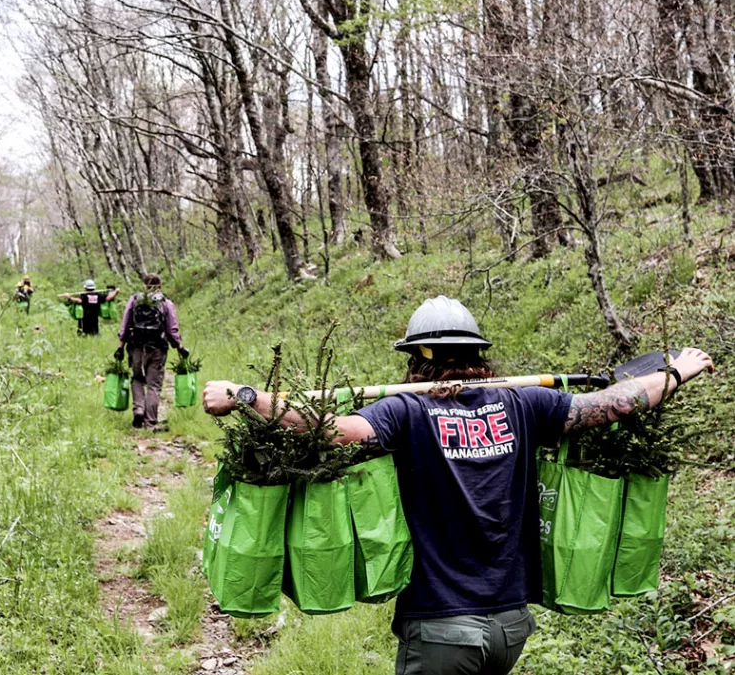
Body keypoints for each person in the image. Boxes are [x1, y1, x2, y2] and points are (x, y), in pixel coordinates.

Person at [202, 295, 715, 675]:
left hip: (442, 630)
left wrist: (247, 395)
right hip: (510, 626)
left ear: (418, 358)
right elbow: (613, 403)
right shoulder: (524, 405)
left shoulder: (406, 411)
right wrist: (675, 373)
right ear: (479, 354)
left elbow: (334, 431)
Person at [114, 273, 188, 431]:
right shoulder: (166, 303)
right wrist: (180, 347)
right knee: (154, 385)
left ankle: (138, 410)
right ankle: (150, 422)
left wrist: (120, 347)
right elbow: (172, 330)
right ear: (159, 286)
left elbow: (125, 325)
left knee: (137, 379)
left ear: (144, 286)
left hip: (136, 347)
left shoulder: (134, 300)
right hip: (157, 349)